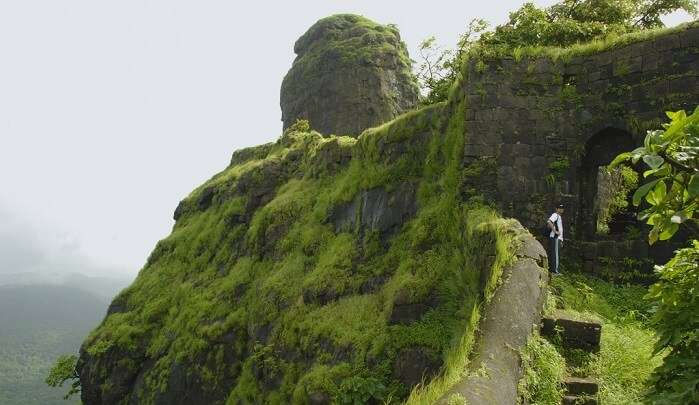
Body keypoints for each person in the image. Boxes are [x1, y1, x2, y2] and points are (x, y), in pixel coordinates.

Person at [547, 203, 564, 275]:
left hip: (557, 239)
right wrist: (555, 231)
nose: (561, 209)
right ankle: (555, 271)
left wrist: (561, 240)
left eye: (562, 208)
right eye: (559, 208)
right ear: (556, 209)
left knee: (555, 254)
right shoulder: (555, 215)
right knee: (555, 255)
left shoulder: (559, 217)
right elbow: (549, 222)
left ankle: (552, 270)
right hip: (555, 238)